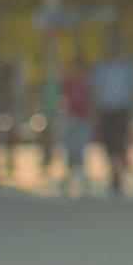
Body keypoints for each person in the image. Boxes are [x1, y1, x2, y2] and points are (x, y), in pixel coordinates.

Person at [88, 45, 133, 196]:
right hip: (106, 111)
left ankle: (118, 173)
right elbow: (94, 91)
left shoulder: (128, 69)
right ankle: (115, 172)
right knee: (109, 144)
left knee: (120, 143)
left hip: (122, 110)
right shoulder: (101, 69)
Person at [56, 59, 93, 199]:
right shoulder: (67, 83)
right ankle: (68, 177)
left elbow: (90, 100)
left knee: (80, 149)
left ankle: (82, 178)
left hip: (82, 120)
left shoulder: (86, 85)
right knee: (69, 149)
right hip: (70, 119)